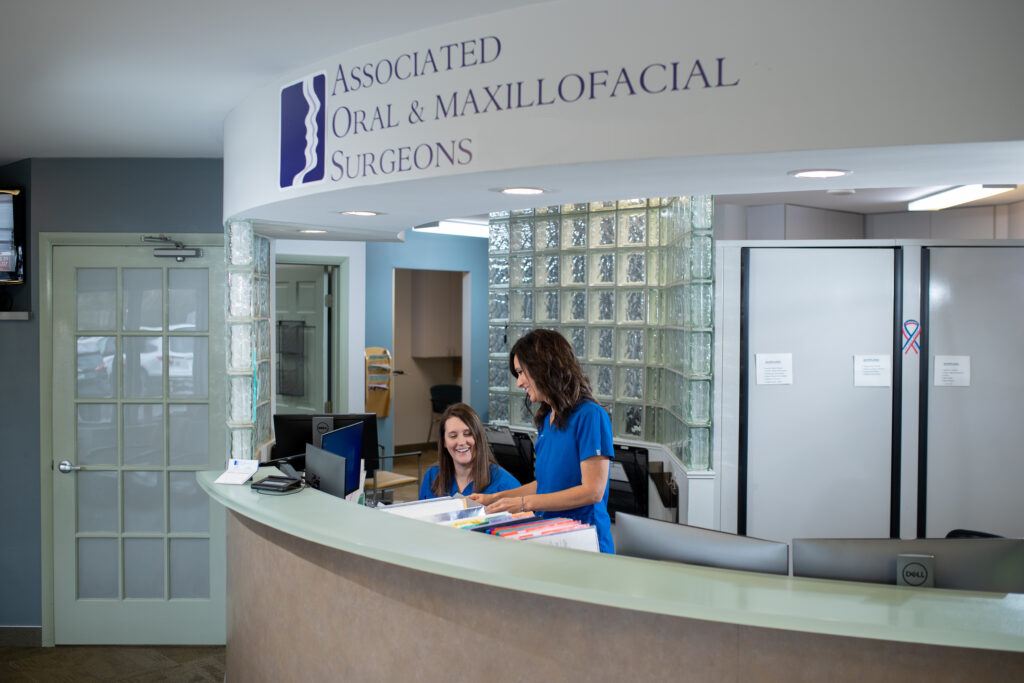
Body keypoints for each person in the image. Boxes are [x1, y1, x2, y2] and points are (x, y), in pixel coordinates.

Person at [470, 328, 615, 553]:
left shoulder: (591, 416)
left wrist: (523, 504)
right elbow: (546, 484)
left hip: (585, 542)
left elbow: (592, 491)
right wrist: (495, 498)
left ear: (543, 367)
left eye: (521, 373)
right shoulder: (548, 420)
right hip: (551, 535)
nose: (519, 383)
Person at [419, 402, 521, 499]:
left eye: (468, 434)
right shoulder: (432, 476)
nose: (461, 442)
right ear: (444, 442)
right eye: (453, 436)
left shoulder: (506, 483)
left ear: (479, 437)